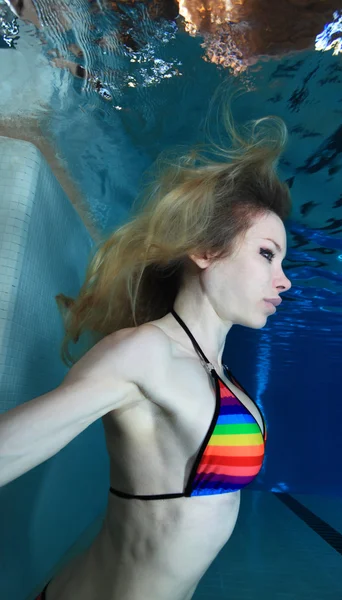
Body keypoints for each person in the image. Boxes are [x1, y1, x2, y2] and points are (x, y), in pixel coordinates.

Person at [0, 87, 292, 600]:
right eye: (268, 254)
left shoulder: (219, 373)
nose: (284, 279)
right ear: (205, 249)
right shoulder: (145, 353)